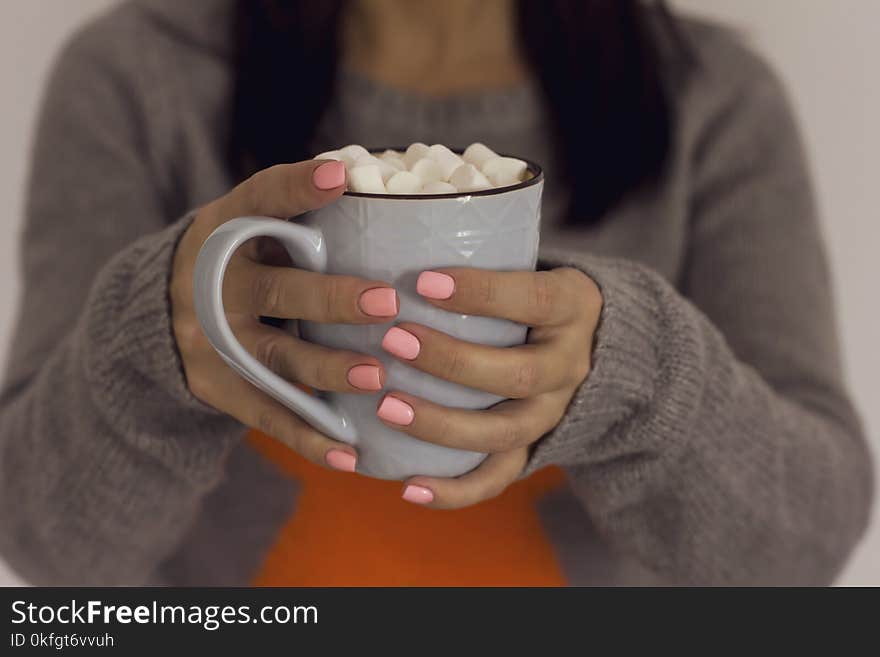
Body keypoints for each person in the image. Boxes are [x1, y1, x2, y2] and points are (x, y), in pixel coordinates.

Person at [0, 0, 872, 586]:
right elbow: (43, 542)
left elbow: (805, 544)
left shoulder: (712, 100)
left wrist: (637, 374)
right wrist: (149, 339)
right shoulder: (136, 79)